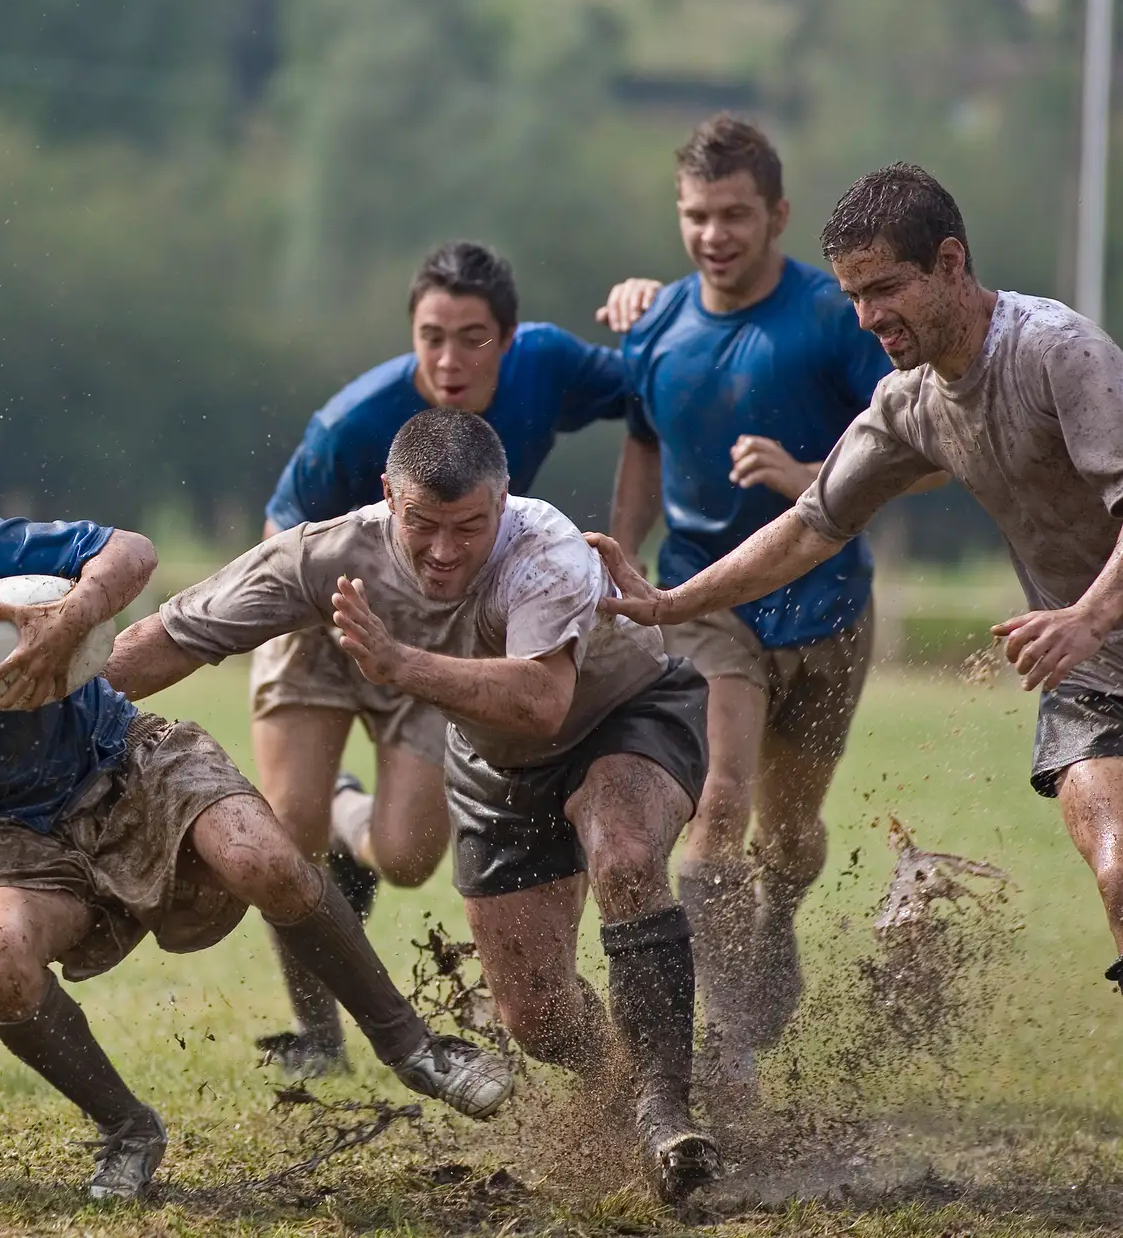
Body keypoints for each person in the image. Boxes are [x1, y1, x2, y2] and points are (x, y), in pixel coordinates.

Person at [0, 461, 512, 1201]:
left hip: (122, 754)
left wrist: (74, 612)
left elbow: (131, 550)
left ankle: (414, 1048)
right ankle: (127, 1127)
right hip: (8, 830)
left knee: (263, 856)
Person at [109, 408, 720, 1201]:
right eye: (422, 524)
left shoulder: (546, 549)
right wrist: (49, 701)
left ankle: (665, 1109)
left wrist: (397, 661)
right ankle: (618, 1080)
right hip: (495, 763)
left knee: (625, 854)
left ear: (501, 503)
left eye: (467, 526)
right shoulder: (329, 551)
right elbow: (176, 634)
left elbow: (541, 699)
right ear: (386, 498)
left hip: (624, 713)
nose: (442, 550)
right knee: (533, 1017)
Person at [593, 162, 1123, 1021]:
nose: (869, 316)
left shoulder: (1054, 350)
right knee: (1117, 872)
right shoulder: (908, 403)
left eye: (884, 288)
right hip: (1096, 679)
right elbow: (806, 527)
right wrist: (667, 602)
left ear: (950, 262)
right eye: (852, 296)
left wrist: (1085, 614)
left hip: (1088, 630)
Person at [594, 115, 929, 1093]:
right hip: (706, 597)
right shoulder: (654, 325)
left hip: (827, 606)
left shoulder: (834, 318)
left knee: (788, 840)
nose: (712, 235)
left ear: (775, 213)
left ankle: (771, 920)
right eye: (695, 216)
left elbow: (921, 447)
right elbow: (642, 442)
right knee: (722, 804)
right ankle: (723, 1042)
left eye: (733, 214)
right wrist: (619, 569)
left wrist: (807, 475)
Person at [256, 240, 630, 1077]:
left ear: (509, 337)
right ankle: (317, 1037)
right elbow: (279, 544)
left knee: (406, 854)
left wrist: (652, 300)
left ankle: (353, 815)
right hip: (322, 617)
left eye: (470, 337)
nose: (447, 358)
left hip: (436, 631)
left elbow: (654, 379)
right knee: (287, 835)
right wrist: (342, 624)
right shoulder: (352, 423)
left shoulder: (552, 365)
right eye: (430, 335)